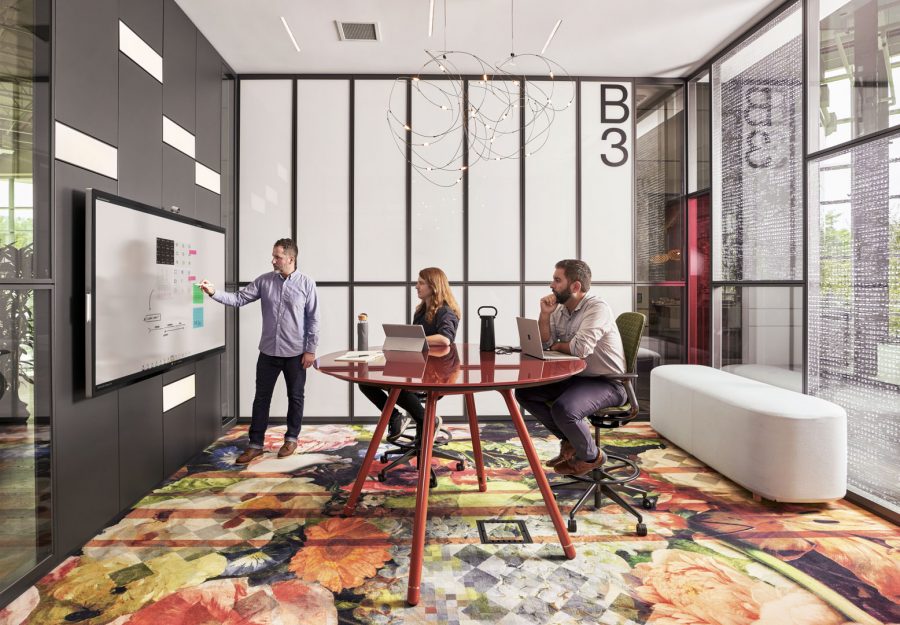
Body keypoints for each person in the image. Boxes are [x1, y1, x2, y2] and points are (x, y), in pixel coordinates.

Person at [199, 238, 319, 465]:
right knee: (261, 399)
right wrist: (214, 292)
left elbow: (313, 320)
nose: (273, 260)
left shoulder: (306, 284)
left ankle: (291, 438)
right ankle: (255, 445)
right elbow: (239, 299)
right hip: (268, 353)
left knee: (295, 397)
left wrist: (310, 350)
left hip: (295, 353)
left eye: (277, 257)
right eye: (273, 256)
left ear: (291, 258)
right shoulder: (264, 281)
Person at [514, 259, 627, 476]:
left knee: (564, 409)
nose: (551, 285)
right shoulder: (560, 309)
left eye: (557, 280)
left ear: (575, 286)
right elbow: (546, 343)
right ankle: (571, 441)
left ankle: (592, 457)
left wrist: (559, 345)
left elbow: (580, 349)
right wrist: (545, 315)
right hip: (578, 378)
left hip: (608, 382)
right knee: (526, 393)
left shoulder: (597, 308)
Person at [360, 267, 460, 441]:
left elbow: (445, 339)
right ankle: (396, 418)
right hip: (419, 368)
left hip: (437, 373)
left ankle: (425, 420)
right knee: (366, 383)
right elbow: (418, 341)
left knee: (394, 385)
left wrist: (414, 339)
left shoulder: (444, 311)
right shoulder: (421, 311)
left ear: (434, 286)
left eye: (421, 283)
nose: (416, 286)